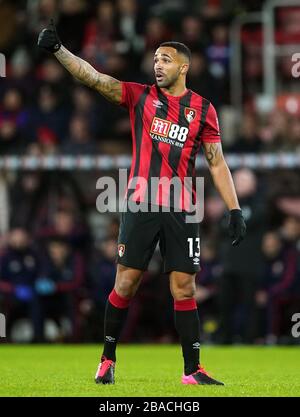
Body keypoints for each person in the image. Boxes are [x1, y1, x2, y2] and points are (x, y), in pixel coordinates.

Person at [37, 20, 246, 386]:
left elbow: (217, 161)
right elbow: (94, 77)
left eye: (165, 59)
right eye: (155, 60)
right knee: (127, 283)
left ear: (184, 66)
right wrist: (59, 51)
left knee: (185, 287)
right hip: (140, 204)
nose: (158, 65)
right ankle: (106, 359)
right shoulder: (140, 96)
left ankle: (192, 370)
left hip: (182, 209)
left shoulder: (203, 109)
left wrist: (234, 209)